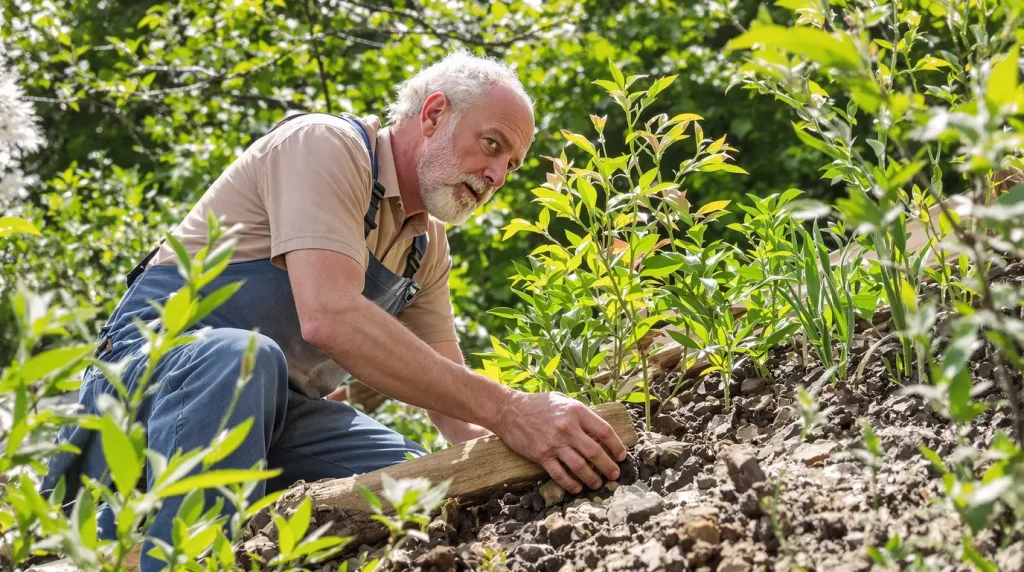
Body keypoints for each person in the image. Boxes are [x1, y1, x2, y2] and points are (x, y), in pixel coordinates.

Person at [41, 49, 627, 570]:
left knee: (414, 485)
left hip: (271, 416)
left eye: (511, 165)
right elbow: (330, 315)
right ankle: (172, 555)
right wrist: (513, 409)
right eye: (492, 145)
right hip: (154, 386)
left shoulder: (426, 247)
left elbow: (458, 408)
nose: (497, 175)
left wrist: (546, 446)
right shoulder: (324, 145)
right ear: (434, 114)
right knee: (239, 358)